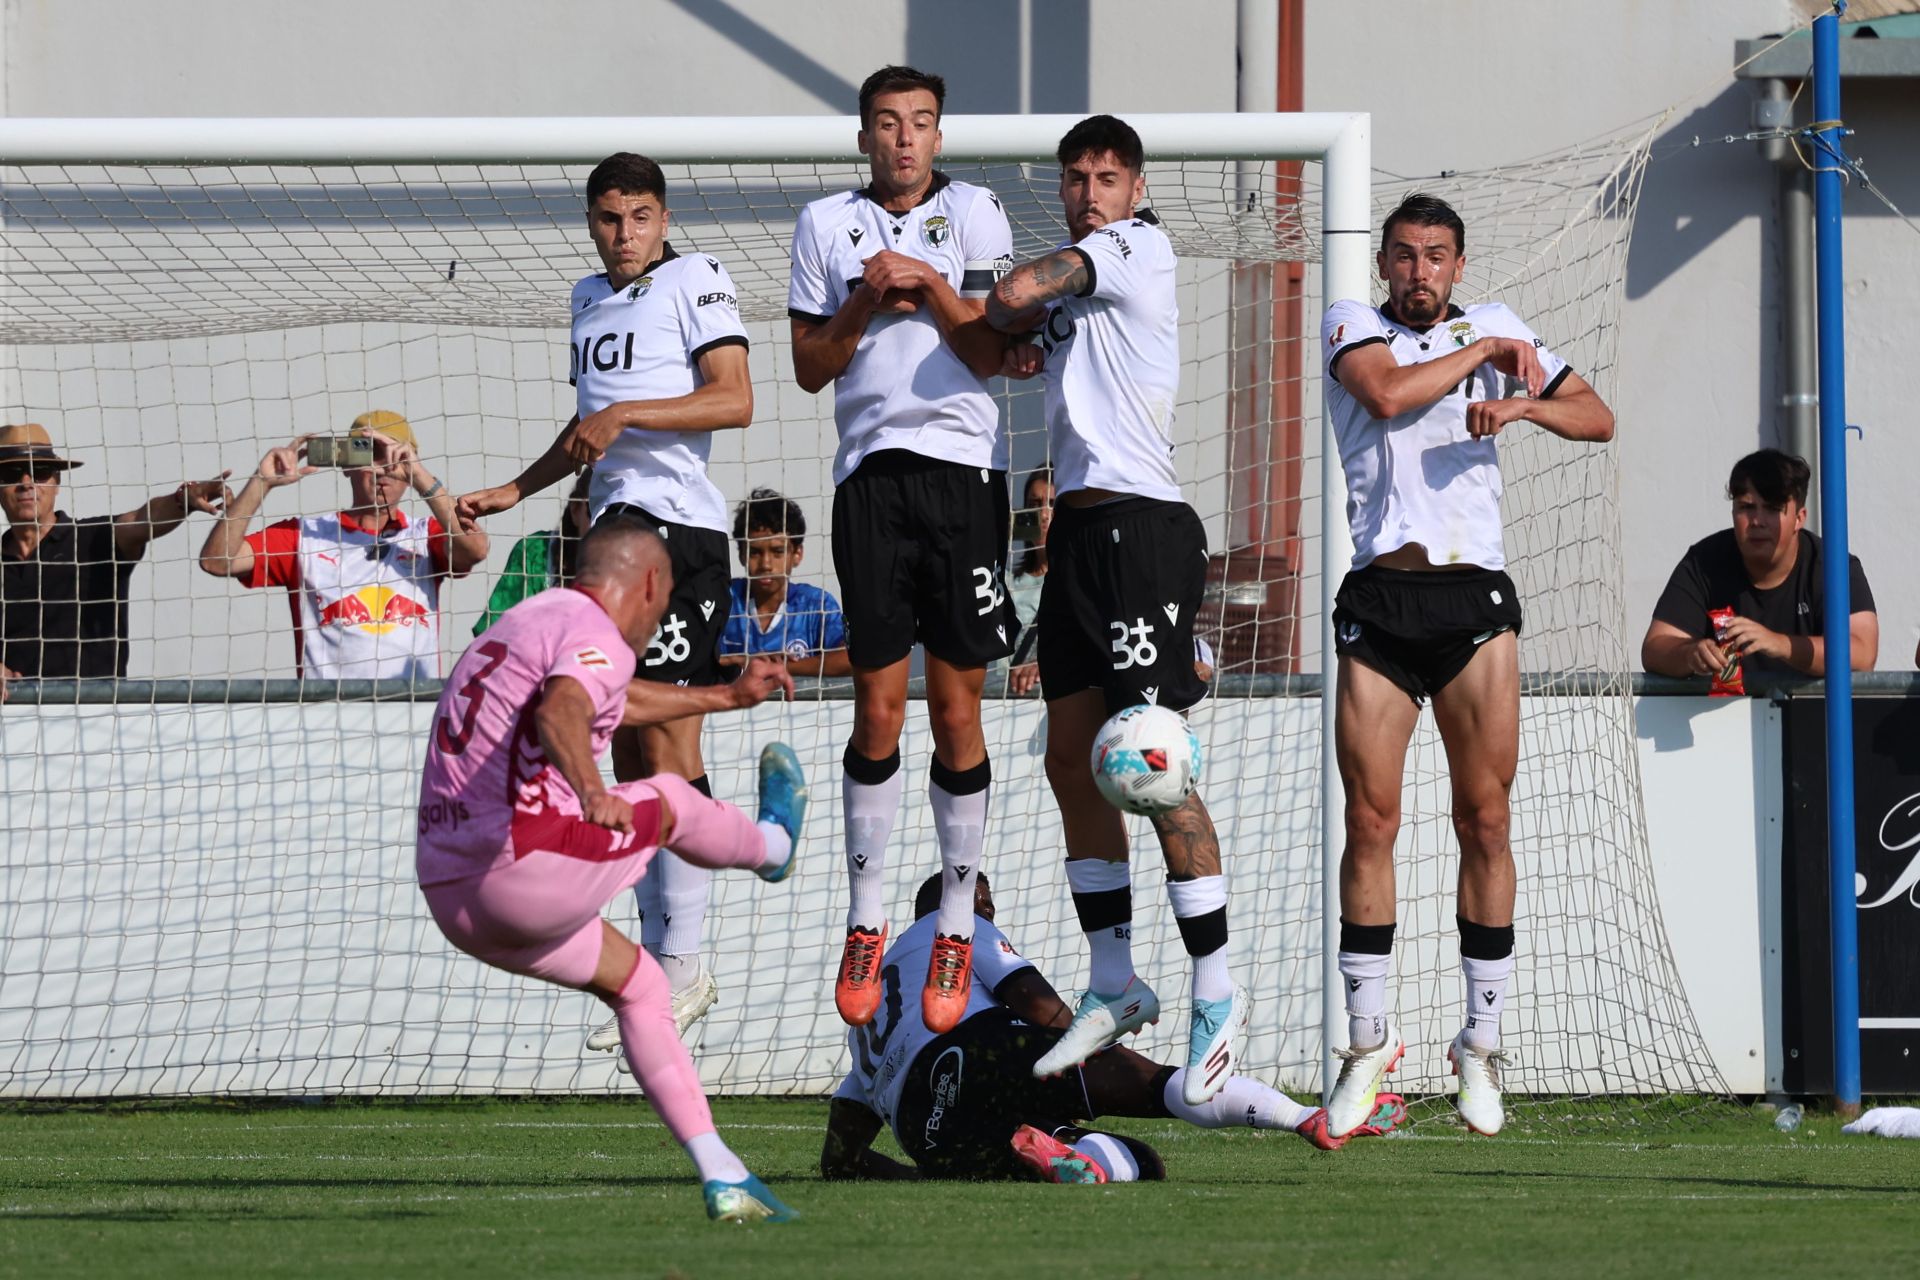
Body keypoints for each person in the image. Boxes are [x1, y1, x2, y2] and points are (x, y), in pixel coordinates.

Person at [1317, 193, 1615, 1138]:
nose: (1418, 272)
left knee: (1485, 819)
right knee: (1371, 818)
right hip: (1380, 601)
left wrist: (1525, 401)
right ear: (1383, 267)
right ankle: (1367, 1047)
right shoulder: (1351, 325)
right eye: (1403, 255)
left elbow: (1598, 416)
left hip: (1473, 605)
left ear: (1458, 265)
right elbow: (1388, 396)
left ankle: (1479, 1049)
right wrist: (1485, 357)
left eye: (1436, 257)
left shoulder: (1498, 328)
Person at [417, 520, 806, 1223]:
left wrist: (722, 697)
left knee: (640, 985)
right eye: (663, 606)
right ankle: (774, 846)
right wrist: (593, 791)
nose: (658, 624)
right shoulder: (591, 627)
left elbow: (607, 699)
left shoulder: (529, 623)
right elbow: (564, 707)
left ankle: (724, 1175)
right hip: (525, 867)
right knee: (669, 796)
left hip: (453, 895)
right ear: (652, 586)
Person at [459, 152, 755, 1054]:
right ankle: (659, 961)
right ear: (590, 222)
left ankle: (686, 958)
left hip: (679, 537)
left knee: (667, 739)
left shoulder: (697, 278)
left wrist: (627, 416)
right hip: (612, 539)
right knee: (619, 735)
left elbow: (734, 400)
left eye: (638, 217)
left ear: (663, 218)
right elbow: (591, 423)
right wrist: (518, 488)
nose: (623, 234)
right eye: (607, 218)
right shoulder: (587, 298)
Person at [984, 115, 1239, 1106]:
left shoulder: (1135, 246)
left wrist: (988, 307)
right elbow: (1023, 330)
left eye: (1106, 176)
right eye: (1076, 178)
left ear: (1135, 187)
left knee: (1150, 758)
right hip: (1080, 540)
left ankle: (1217, 989)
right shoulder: (1083, 284)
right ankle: (1114, 978)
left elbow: (1007, 296)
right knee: (1069, 757)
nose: (1090, 191)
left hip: (1142, 525)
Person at [787, 65, 1020, 1033]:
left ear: (937, 132)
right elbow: (808, 367)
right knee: (880, 703)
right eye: (888, 124)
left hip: (963, 476)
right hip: (871, 476)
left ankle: (958, 923)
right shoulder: (823, 224)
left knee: (960, 705)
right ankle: (867, 914)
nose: (905, 139)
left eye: (921, 122)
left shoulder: (975, 212)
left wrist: (928, 284)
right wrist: (861, 306)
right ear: (864, 137)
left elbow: (998, 350)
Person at [820, 874, 1407, 1184]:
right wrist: (1094, 1042)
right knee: (1153, 1084)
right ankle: (1307, 1119)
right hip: (977, 1049)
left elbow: (838, 1160)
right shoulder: (954, 926)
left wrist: (922, 1173)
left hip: (928, 1130)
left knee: (1135, 1161)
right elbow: (1030, 997)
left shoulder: (867, 1002)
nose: (989, 916)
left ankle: (1062, 1152)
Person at [198, 411, 488, 680]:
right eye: (370, 454)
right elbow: (217, 561)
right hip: (328, 721)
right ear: (346, 464)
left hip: (411, 718)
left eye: (394, 456)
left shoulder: (427, 534)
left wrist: (421, 478)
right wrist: (262, 482)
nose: (382, 469)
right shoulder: (306, 535)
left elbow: (476, 549)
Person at [0, 421, 229, 693]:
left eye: (40, 472)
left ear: (57, 482)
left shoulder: (95, 538)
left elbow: (144, 518)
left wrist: (183, 499)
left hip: (95, 722)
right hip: (13, 726)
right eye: (12, 473)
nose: (26, 484)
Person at [1642, 449, 1876, 682]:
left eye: (1773, 509)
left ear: (1799, 518)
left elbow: (1862, 653)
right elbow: (1655, 648)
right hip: (1725, 716)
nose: (1757, 521)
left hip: (1813, 717)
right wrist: (1691, 654)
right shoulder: (1703, 561)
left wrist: (1780, 644)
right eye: (1746, 507)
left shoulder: (1833, 566)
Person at [720, 487, 851, 679]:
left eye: (777, 552)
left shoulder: (815, 605)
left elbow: (849, 660)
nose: (766, 564)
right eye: (755, 552)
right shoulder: (725, 599)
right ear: (741, 554)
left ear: (797, 554)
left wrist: (778, 668)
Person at [471, 471, 592, 634]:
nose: (607, 524)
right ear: (576, 510)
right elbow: (496, 635)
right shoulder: (538, 551)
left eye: (618, 514)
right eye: (595, 510)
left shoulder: (635, 566)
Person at [999, 467, 1053, 697]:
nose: (1043, 513)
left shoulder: (1087, 586)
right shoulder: (1004, 585)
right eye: (1034, 503)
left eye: (1052, 503)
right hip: (1005, 703)